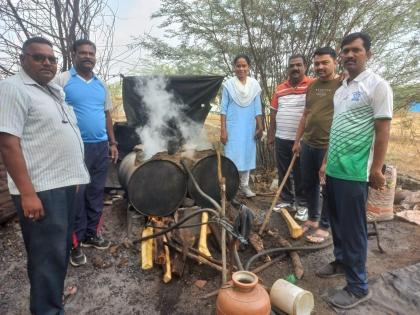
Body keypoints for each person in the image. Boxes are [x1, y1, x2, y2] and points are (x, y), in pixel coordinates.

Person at [0, 37, 89, 314]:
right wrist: (27, 193)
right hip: (41, 191)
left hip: (62, 186)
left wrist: (73, 179)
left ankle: (51, 305)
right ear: (23, 59)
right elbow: (7, 142)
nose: (47, 63)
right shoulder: (13, 89)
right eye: (39, 57)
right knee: (46, 260)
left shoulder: (52, 91)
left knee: (59, 254)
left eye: (51, 58)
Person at [318, 32, 393, 309]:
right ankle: (341, 261)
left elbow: (383, 129)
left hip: (356, 172)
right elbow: (335, 129)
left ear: (368, 54)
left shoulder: (377, 86)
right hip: (335, 169)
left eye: (356, 50)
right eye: (345, 51)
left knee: (353, 230)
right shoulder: (341, 90)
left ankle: (358, 286)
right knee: (337, 225)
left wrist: (376, 169)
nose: (349, 55)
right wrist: (325, 162)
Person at [55, 39, 118, 266]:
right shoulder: (62, 80)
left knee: (95, 192)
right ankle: (75, 243)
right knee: (76, 196)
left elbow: (107, 115)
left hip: (100, 147)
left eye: (91, 53)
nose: (88, 56)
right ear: (74, 54)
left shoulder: (101, 85)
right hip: (74, 147)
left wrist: (112, 142)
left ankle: (91, 234)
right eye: (83, 52)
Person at [292, 47, 340, 243]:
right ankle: (313, 218)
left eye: (325, 62)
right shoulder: (312, 86)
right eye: (317, 63)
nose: (320, 66)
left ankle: (325, 226)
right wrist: (297, 141)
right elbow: (305, 114)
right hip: (308, 144)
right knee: (308, 183)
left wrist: (328, 157)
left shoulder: (342, 84)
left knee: (328, 187)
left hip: (328, 145)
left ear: (335, 62)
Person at [268, 55, 314, 220]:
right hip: (281, 137)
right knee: (282, 170)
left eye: (298, 65)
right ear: (288, 68)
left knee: (301, 172)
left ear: (305, 66)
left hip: (302, 140)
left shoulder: (312, 85)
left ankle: (302, 204)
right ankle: (287, 200)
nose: (295, 68)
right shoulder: (280, 88)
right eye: (292, 66)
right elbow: (273, 113)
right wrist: (271, 135)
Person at [220, 54, 263, 198]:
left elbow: (258, 108)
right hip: (232, 127)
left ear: (248, 67)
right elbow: (223, 109)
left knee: (246, 155)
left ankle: (244, 186)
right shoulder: (228, 85)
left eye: (244, 65)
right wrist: (223, 130)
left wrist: (260, 126)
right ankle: (231, 188)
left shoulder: (254, 85)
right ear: (234, 67)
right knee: (232, 156)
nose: (241, 68)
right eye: (238, 65)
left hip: (248, 127)